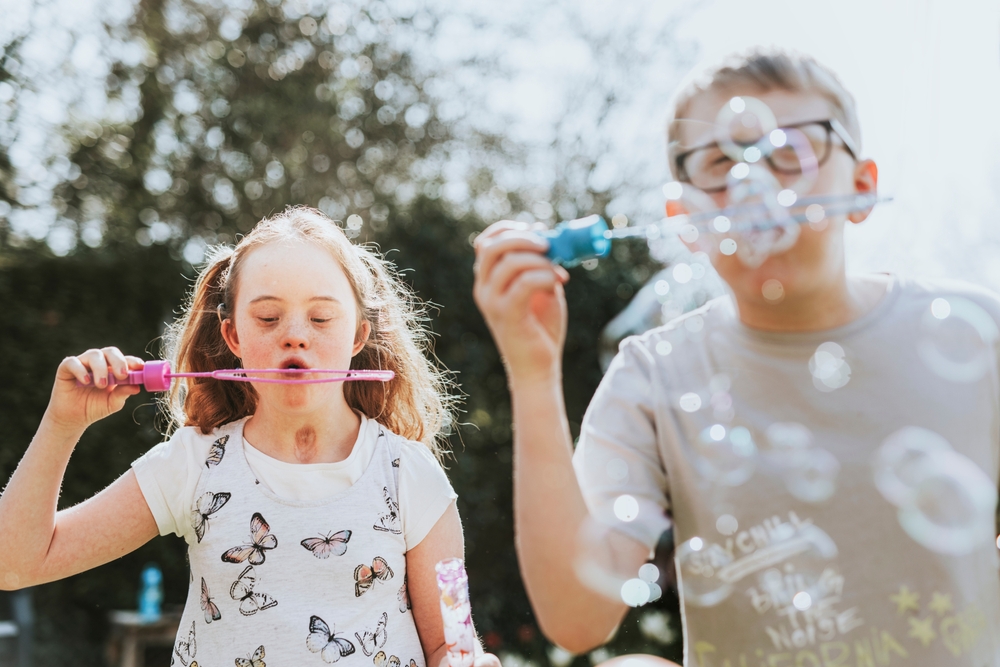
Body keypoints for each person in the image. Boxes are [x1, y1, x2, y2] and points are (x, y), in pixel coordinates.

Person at [472, 48, 1000, 666]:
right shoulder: (653, 376)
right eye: (720, 163)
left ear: (861, 187)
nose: (756, 184)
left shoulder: (980, 335)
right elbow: (578, 617)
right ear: (684, 218)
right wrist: (533, 375)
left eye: (791, 151)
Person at [0, 207, 500, 667]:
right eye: (267, 317)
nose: (295, 335)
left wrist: (469, 659)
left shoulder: (409, 475)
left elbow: (448, 646)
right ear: (233, 336)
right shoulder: (194, 465)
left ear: (357, 337)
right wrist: (62, 423)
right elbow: (15, 565)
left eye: (321, 317)